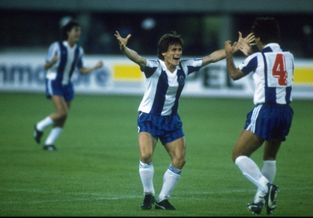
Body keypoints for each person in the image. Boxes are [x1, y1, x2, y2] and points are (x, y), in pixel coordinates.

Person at [114, 30, 253, 210]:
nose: (178, 53)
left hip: (171, 120)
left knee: (179, 159)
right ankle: (148, 194)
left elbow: (211, 58)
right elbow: (138, 58)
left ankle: (163, 199)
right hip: (149, 117)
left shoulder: (185, 67)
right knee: (146, 155)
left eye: (179, 50)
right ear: (164, 53)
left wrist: (233, 49)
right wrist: (124, 48)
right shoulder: (154, 67)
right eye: (173, 50)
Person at [224, 17, 294, 215]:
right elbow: (271, 67)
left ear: (259, 37)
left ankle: (266, 187)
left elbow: (235, 75)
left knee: (238, 155)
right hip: (285, 112)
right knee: (270, 157)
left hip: (265, 111)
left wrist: (230, 54)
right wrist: (251, 52)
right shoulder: (289, 56)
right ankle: (259, 202)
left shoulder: (257, 58)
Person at [33, 19, 104, 151]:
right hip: (54, 81)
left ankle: (49, 142)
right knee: (61, 112)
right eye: (76, 30)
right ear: (68, 32)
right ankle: (39, 126)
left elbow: (82, 70)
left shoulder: (79, 50)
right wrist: (52, 61)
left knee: (64, 115)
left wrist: (95, 67)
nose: (79, 33)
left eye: (79, 31)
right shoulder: (56, 47)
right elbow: (45, 65)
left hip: (67, 84)